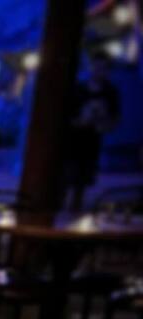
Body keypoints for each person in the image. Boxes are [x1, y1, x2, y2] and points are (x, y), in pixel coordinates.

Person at [67, 54, 120, 212]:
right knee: (69, 174)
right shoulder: (79, 89)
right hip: (73, 140)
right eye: (97, 66)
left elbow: (115, 118)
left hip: (93, 140)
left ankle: (75, 206)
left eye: (103, 68)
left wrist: (102, 122)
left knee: (83, 178)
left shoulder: (110, 92)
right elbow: (67, 114)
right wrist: (79, 121)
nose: (99, 71)